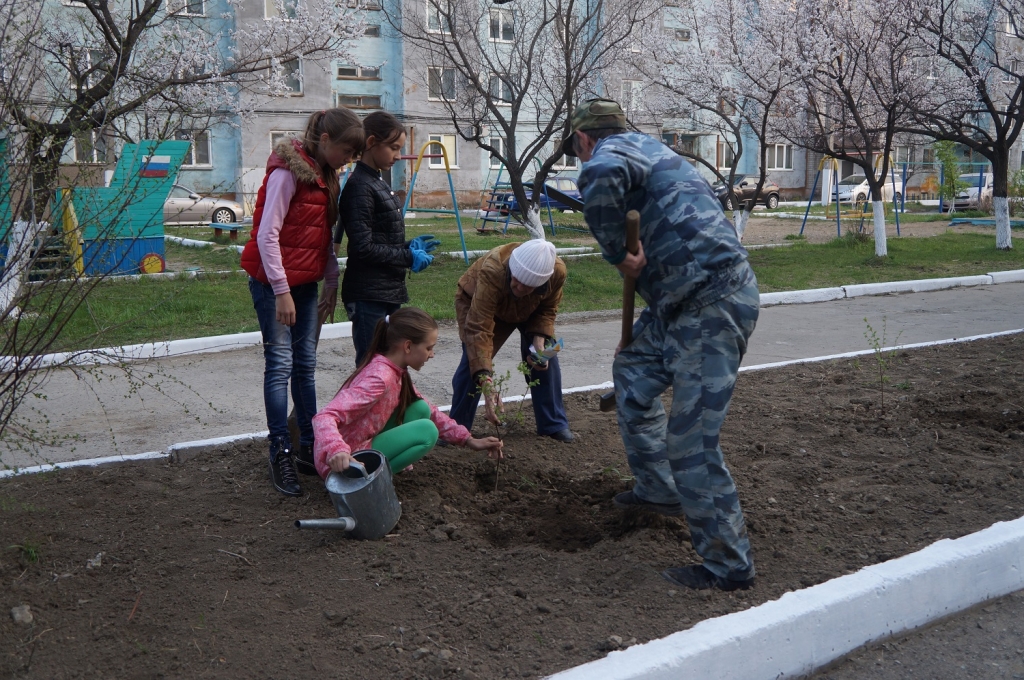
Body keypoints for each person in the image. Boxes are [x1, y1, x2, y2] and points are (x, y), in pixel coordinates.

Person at [565, 98, 760, 591]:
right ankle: (659, 489)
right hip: (677, 303)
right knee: (631, 368)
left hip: (713, 304)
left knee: (691, 441)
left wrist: (617, 253)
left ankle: (728, 565)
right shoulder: (651, 150)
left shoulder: (608, 155)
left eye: (577, 149)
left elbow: (600, 173)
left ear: (584, 139)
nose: (582, 157)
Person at [241, 108, 364, 497]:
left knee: (305, 366)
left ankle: (309, 447)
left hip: (307, 286)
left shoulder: (327, 178)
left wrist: (330, 283)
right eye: (347, 150)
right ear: (325, 141)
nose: (349, 159)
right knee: (280, 365)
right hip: (272, 284)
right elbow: (266, 235)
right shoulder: (285, 172)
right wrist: (280, 290)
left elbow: (323, 237)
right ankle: (279, 450)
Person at [312, 307, 503, 475]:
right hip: (344, 464)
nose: (432, 354)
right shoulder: (379, 378)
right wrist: (337, 450)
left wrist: (468, 440)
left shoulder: (396, 372)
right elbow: (324, 417)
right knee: (427, 431)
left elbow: (432, 411)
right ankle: (368, 481)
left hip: (359, 444)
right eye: (429, 348)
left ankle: (378, 469)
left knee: (420, 408)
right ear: (408, 346)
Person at [339, 111, 440, 365]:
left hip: (385, 291)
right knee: (371, 366)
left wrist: (408, 246)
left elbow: (380, 238)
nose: (398, 155)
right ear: (371, 143)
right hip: (368, 294)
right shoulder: (361, 186)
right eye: (394, 148)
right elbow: (363, 247)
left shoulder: (377, 182)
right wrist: (407, 256)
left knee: (390, 364)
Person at [449, 240, 574, 442]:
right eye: (516, 280)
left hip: (529, 309)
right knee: (473, 362)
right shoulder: (493, 270)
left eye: (528, 285)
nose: (519, 286)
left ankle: (553, 424)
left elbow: (548, 309)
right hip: (479, 306)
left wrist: (539, 341)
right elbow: (479, 329)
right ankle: (456, 428)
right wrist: (487, 383)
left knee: (548, 356)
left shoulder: (557, 271)